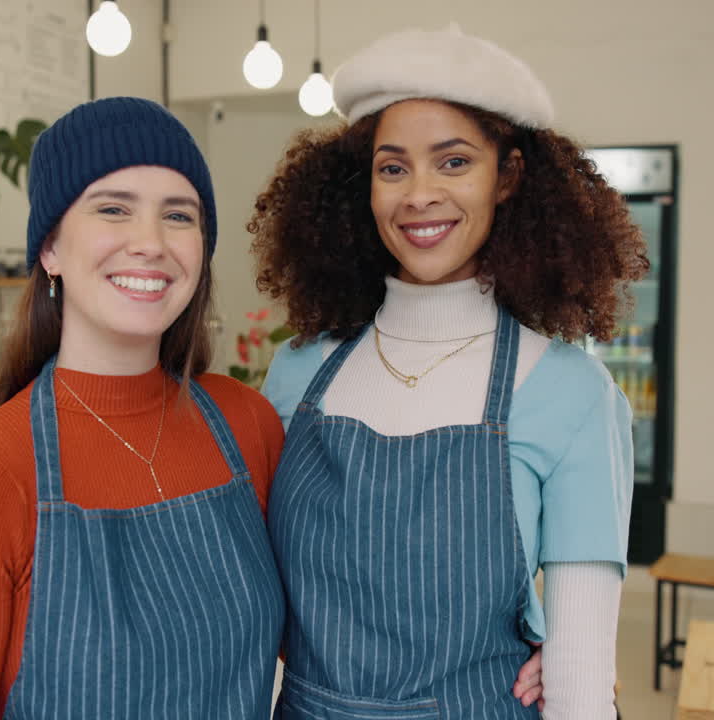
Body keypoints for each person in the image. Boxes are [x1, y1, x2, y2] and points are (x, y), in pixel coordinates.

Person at [252, 25, 646, 719]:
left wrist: (560, 657)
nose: (419, 195)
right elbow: (252, 602)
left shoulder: (571, 395)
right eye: (393, 167)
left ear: (509, 178)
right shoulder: (294, 372)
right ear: (362, 187)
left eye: (455, 162)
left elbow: (581, 683)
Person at [0, 97, 286, 719]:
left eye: (178, 216)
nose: (151, 243)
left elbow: (341, 638)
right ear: (49, 248)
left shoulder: (247, 425)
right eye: (113, 209)